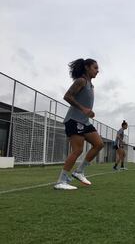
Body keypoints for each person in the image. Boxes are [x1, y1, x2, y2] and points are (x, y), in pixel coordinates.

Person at [54, 58, 104, 190]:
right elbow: (67, 96)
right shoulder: (81, 81)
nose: (98, 71)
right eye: (95, 68)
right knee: (78, 150)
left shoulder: (90, 85)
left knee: (99, 144)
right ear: (87, 67)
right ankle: (61, 181)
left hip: (84, 121)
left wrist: (88, 112)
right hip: (73, 120)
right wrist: (83, 109)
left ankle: (79, 171)